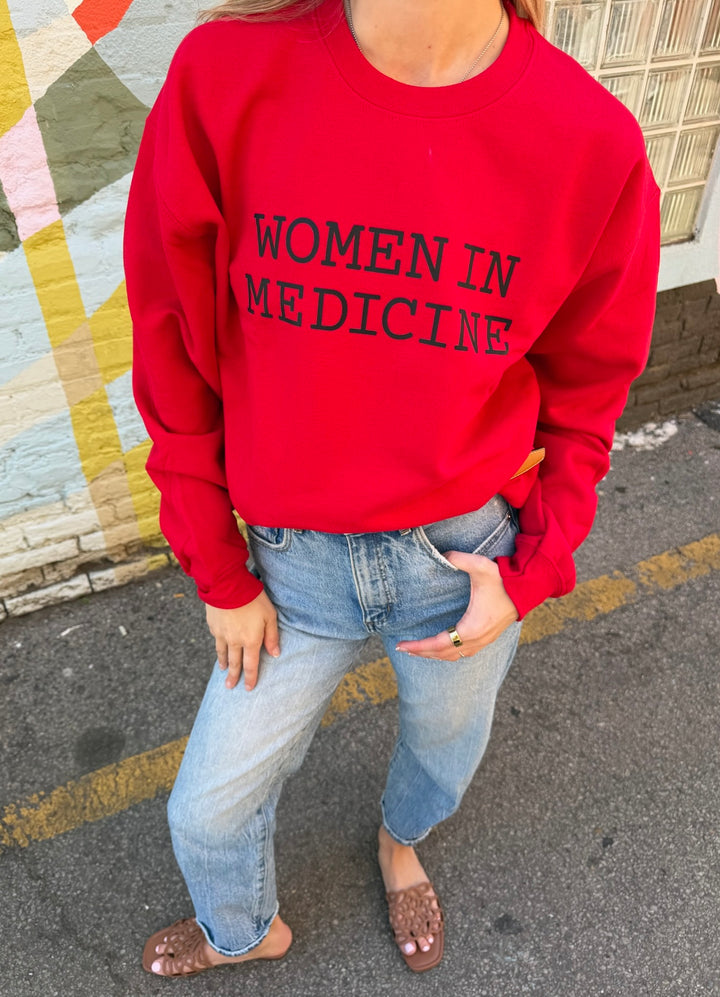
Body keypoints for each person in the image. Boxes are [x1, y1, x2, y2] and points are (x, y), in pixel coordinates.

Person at [123, 0, 661, 977]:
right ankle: (245, 930)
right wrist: (217, 569)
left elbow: (589, 394)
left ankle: (398, 843)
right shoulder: (225, 78)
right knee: (205, 808)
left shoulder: (590, 140)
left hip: (459, 560)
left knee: (443, 749)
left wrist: (532, 570)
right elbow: (170, 342)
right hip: (289, 567)